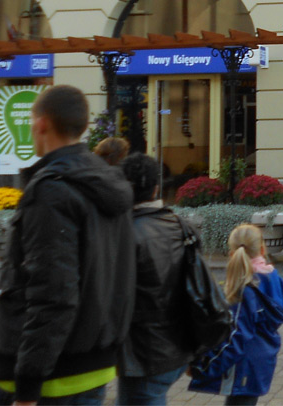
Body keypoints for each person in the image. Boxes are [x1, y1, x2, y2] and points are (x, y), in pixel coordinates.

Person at [0, 85, 135, 406]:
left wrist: (27, 387)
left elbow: (53, 293)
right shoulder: (107, 181)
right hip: (94, 366)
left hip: (49, 377)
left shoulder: (51, 191)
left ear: (41, 124)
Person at [117, 153, 196, 405]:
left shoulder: (122, 233)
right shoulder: (180, 225)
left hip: (144, 354)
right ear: (156, 188)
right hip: (178, 345)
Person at [188, 224, 283, 406]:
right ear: (262, 249)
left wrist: (204, 367)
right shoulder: (273, 278)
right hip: (261, 359)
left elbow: (235, 337)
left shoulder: (245, 290)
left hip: (243, 364)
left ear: (231, 253)